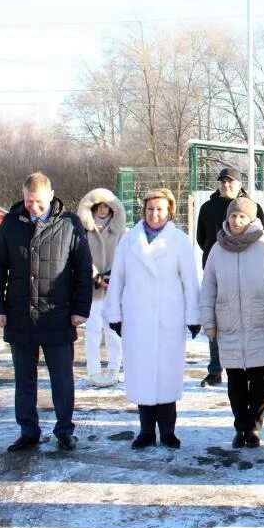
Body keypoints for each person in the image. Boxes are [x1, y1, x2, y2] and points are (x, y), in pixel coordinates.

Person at [0, 172, 93, 453]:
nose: (33, 207)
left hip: (57, 315)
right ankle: (28, 431)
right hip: (20, 315)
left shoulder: (69, 224)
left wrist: (81, 310)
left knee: (62, 379)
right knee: (24, 380)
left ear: (50, 196)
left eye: (38, 202)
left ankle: (64, 430)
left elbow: (82, 269)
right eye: (28, 201)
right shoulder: (11, 223)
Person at [104, 188, 201, 449]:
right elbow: (118, 278)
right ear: (143, 210)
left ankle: (168, 431)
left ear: (169, 211)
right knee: (142, 374)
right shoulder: (129, 240)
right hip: (137, 318)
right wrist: (114, 311)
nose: (154, 214)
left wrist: (194, 315)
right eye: (149, 209)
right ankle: (146, 430)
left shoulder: (179, 240)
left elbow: (190, 281)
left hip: (168, 317)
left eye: (159, 209)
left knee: (167, 375)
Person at [200, 197, 264, 448]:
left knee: (259, 382)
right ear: (226, 219)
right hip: (228, 326)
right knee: (236, 384)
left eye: (242, 217)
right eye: (233, 216)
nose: (237, 221)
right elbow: (208, 288)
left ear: (251, 220)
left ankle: (255, 427)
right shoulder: (218, 250)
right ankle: (241, 427)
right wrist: (209, 322)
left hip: (261, 325)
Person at [195, 167, 264, 387]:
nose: (226, 185)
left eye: (231, 182)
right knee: (215, 320)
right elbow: (201, 238)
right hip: (217, 272)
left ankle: (247, 365)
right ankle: (215, 369)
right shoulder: (207, 208)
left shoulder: (253, 208)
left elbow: (263, 236)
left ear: (239, 184)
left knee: (245, 321)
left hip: (248, 273)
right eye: (223, 182)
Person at [76, 188, 127, 387]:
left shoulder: (121, 232)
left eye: (107, 206)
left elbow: (125, 257)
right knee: (93, 330)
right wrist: (95, 276)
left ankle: (114, 368)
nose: (103, 210)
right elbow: (81, 257)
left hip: (114, 289)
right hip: (93, 290)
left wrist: (114, 276)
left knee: (113, 331)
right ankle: (94, 370)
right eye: (100, 206)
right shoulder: (84, 232)